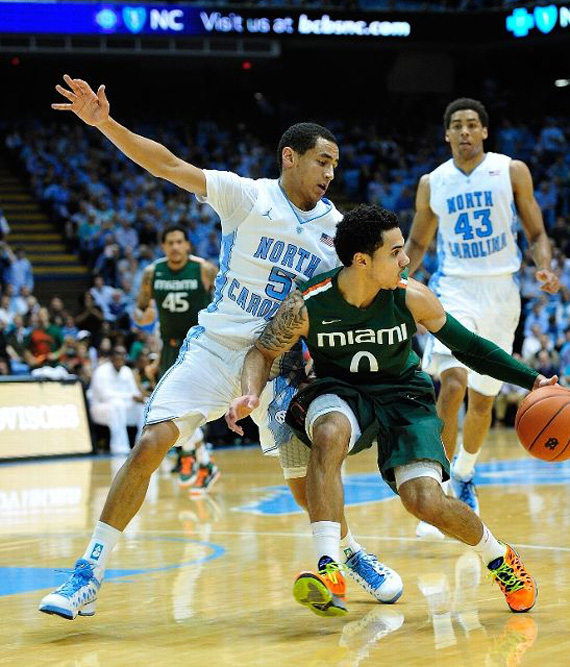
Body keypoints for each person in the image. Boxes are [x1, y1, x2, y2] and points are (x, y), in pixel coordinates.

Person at [38, 75, 400, 620]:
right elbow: (167, 166)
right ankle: (88, 572)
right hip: (215, 347)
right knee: (151, 443)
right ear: (290, 157)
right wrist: (104, 124)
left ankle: (347, 554)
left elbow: (366, 285)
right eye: (321, 161)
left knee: (308, 487)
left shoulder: (339, 230)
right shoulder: (248, 195)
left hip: (279, 367)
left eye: (335, 164)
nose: (330, 173)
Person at [226, 204, 555, 618]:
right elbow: (262, 350)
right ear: (363, 260)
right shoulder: (309, 304)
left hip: (403, 396)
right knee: (329, 432)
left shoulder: (410, 295)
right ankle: (329, 567)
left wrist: (533, 382)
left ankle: (499, 558)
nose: (406, 259)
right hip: (342, 392)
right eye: (395, 252)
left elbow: (469, 347)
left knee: (425, 501)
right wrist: (250, 394)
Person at [403, 98, 559, 539]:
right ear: (446, 134)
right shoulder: (433, 182)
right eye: (457, 126)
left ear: (485, 132)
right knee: (451, 383)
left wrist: (543, 265)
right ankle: (441, 487)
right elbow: (417, 241)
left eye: (473, 125)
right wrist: (395, 281)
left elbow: (536, 232)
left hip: (502, 292)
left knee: (483, 399)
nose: (466, 132)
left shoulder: (511, 171)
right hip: (454, 288)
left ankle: (466, 472)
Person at [133, 224, 219, 490]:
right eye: (169, 242)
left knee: (188, 410)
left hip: (199, 346)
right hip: (170, 346)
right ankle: (201, 461)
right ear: (163, 246)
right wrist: (144, 319)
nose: (174, 247)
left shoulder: (204, 269)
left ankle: (193, 458)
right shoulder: (152, 273)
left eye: (179, 241)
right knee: (170, 411)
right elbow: (142, 312)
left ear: (187, 245)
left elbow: (223, 305)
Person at [89, 346, 145, 454]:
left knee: (144, 406)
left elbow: (134, 392)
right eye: (118, 354)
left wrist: (138, 397)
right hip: (101, 408)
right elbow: (105, 396)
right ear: (111, 357)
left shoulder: (127, 371)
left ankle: (141, 444)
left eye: (123, 354)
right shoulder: (101, 371)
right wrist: (130, 397)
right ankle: (119, 447)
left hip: (122, 407)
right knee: (117, 405)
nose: (121, 357)